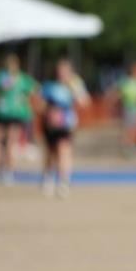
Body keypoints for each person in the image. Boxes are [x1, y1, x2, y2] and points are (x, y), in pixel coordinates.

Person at [39, 57, 91, 198]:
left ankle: (64, 181)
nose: (62, 73)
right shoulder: (49, 86)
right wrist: (50, 112)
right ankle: (48, 176)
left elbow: (85, 102)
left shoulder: (75, 85)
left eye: (65, 71)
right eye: (60, 70)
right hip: (50, 125)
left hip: (66, 124)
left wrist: (75, 90)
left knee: (64, 149)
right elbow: (40, 105)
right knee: (51, 153)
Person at [0, 54, 37, 185]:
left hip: (7, 113)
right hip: (12, 114)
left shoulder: (6, 77)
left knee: (2, 142)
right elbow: (35, 90)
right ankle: (2, 172)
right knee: (5, 142)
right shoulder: (19, 78)